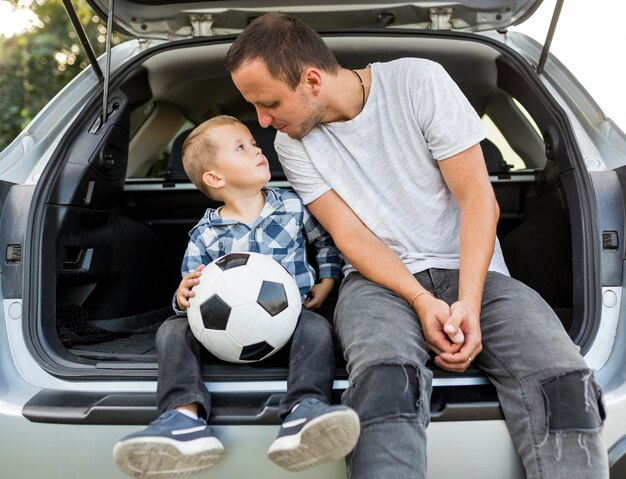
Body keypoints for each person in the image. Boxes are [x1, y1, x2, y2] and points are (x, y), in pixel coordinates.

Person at [224, 13, 610, 479]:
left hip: (476, 273)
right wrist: (420, 299)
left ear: (311, 80)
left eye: (269, 104)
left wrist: (467, 302)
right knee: (384, 382)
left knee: (565, 384)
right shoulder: (293, 143)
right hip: (375, 284)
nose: (263, 122)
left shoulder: (418, 82)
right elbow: (351, 237)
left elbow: (477, 201)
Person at [113, 115, 360, 478]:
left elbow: (326, 242)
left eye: (254, 144)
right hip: (224, 337)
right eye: (241, 147)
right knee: (171, 330)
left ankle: (304, 410)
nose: (257, 149)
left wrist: (327, 278)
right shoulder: (204, 234)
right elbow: (191, 287)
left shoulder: (294, 206)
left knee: (317, 328)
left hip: (289, 322)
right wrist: (182, 297)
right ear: (215, 178)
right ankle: (182, 419)